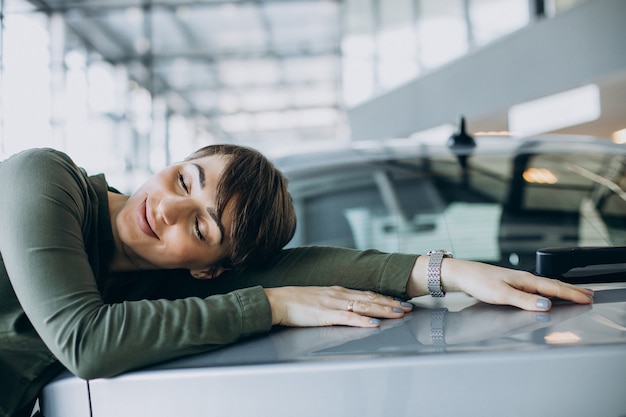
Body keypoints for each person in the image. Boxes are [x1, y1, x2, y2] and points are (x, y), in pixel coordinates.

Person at [0, 145, 593, 417]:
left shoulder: (162, 288)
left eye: (204, 226)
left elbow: (304, 267)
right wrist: (268, 306)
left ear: (210, 268)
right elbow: (86, 341)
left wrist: (442, 271)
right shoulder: (43, 181)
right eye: (186, 180)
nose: (170, 208)